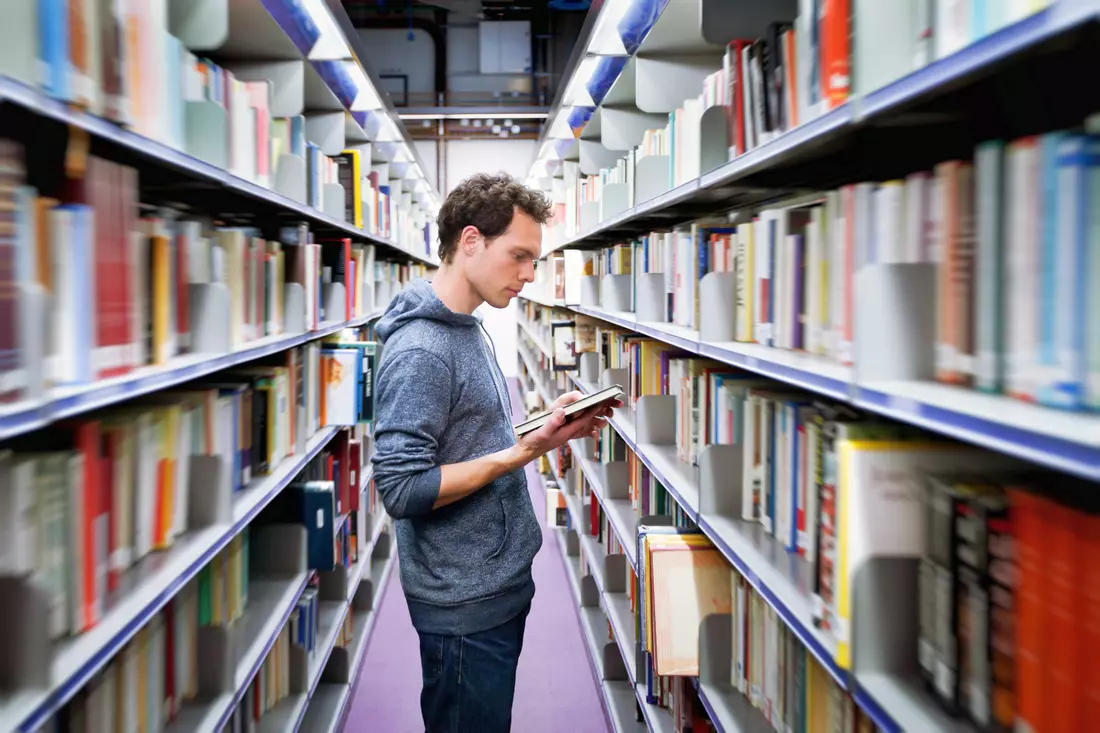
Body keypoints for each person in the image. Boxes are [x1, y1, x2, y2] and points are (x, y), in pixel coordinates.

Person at [370, 172, 621, 733]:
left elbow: (470, 436)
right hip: (462, 600)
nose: (530, 275)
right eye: (520, 256)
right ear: (471, 241)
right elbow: (403, 489)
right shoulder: (422, 351)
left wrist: (543, 431)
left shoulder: (468, 326)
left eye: (535, 260)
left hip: (493, 579)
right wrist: (521, 452)